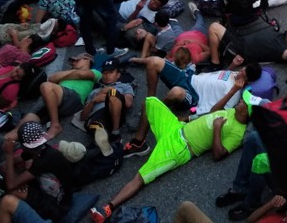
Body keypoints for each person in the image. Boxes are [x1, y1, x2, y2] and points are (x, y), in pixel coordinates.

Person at [89, 87, 252, 223]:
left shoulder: (238, 133)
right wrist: (188, 119)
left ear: (247, 112)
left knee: (140, 177)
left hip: (180, 147)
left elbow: (218, 154)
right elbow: (212, 113)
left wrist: (217, 128)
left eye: (244, 102)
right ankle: (139, 143)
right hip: (176, 127)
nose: (240, 101)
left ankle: (107, 208)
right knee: (150, 102)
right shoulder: (233, 111)